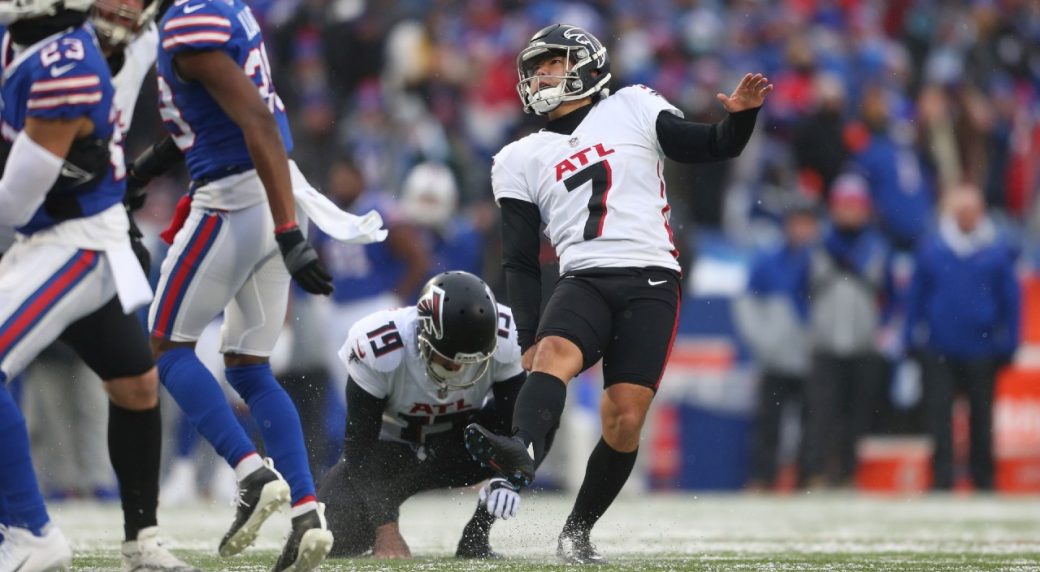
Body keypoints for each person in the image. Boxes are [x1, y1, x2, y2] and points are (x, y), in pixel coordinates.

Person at [463, 23, 771, 564]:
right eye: (535, 67)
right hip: (582, 276)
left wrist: (740, 117)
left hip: (651, 278)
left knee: (625, 417)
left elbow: (713, 145)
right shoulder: (517, 156)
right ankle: (517, 466)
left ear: (585, 63)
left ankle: (576, 532)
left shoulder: (632, 104)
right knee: (551, 359)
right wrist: (531, 333)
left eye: (552, 63)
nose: (540, 75)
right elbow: (517, 259)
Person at [139, 0, 386, 569]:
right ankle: (306, 510)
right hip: (274, 190)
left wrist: (287, 232)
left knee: (166, 347)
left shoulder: (186, 18)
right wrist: (150, 165)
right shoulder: (230, 9)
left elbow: (253, 119)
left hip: (236, 198)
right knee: (249, 365)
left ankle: (251, 474)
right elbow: (221, 110)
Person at [0, 0, 196, 569]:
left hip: (71, 239)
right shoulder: (37, 46)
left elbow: (16, 199)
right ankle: (144, 543)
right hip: (71, 230)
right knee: (135, 384)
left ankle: (30, 533)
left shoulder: (67, 62)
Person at [317, 271, 530, 559]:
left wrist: (509, 478)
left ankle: (476, 539)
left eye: (471, 361)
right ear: (424, 334)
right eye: (450, 358)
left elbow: (525, 424)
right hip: (392, 452)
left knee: (535, 417)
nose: (460, 370)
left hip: (464, 449)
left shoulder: (508, 337)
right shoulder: (381, 346)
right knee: (332, 532)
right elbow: (360, 448)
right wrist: (386, 529)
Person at [904, 183, 1019, 490]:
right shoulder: (933, 249)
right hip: (940, 345)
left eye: (973, 210)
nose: (967, 216)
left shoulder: (996, 251)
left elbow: (1011, 301)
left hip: (981, 347)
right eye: (962, 209)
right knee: (938, 417)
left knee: (982, 418)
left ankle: (983, 478)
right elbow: (915, 297)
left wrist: (1009, 342)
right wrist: (910, 337)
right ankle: (942, 478)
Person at [735, 198, 818, 490]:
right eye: (797, 221)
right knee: (769, 422)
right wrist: (765, 343)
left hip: (811, 357)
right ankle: (762, 478)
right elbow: (746, 305)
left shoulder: (822, 260)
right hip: (776, 358)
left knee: (813, 423)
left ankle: (807, 480)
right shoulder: (768, 261)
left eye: (807, 222)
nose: (802, 229)